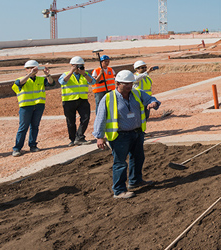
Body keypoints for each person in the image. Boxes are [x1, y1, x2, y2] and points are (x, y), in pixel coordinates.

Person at [93, 70, 161, 199]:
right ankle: (119, 190)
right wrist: (99, 137)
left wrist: (154, 103)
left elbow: (151, 98)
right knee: (120, 163)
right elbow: (100, 118)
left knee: (138, 158)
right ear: (117, 83)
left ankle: (135, 181)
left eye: (131, 83)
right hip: (119, 137)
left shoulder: (137, 93)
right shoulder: (108, 98)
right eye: (126, 84)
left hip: (137, 133)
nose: (129, 86)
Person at [11, 60, 56, 157]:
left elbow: (51, 83)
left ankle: (33, 145)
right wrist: (30, 75)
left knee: (35, 126)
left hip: (39, 106)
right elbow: (19, 83)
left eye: (34, 68)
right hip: (26, 107)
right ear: (26, 69)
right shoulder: (20, 79)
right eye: (30, 68)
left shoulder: (40, 79)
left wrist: (47, 75)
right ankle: (17, 148)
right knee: (23, 127)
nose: (32, 70)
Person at [58, 56, 95, 146]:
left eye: (81, 65)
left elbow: (92, 82)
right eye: (76, 66)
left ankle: (80, 137)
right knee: (70, 121)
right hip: (69, 101)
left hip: (82, 100)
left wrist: (84, 74)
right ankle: (73, 139)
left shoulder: (85, 74)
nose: (79, 68)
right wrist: (71, 71)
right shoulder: (66, 74)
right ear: (71, 65)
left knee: (86, 118)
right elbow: (62, 81)